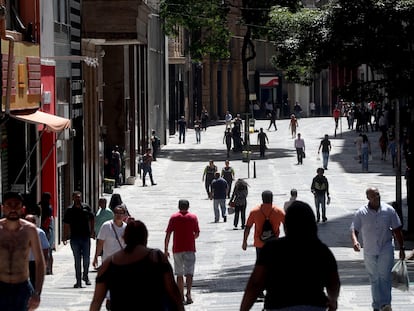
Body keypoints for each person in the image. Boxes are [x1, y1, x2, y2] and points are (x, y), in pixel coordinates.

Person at [240, 201, 340, 311]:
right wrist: (333, 301)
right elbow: (333, 283)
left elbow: (255, 283)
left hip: (278, 306)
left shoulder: (271, 249)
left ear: (287, 224)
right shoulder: (321, 250)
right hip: (313, 305)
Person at [89, 220, 184, 311]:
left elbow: (96, 301)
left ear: (124, 237)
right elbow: (173, 290)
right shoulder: (156, 257)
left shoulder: (109, 263)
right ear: (145, 237)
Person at [351, 187, 405, 311]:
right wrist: (355, 241)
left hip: (386, 247)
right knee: (374, 278)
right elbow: (354, 229)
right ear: (368, 198)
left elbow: (397, 229)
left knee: (385, 276)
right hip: (369, 250)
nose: (377, 197)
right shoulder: (361, 212)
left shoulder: (389, 210)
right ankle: (377, 305)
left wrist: (401, 248)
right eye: (374, 196)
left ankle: (385, 304)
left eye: (378, 194)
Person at [0, 191, 45, 311]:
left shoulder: (30, 230)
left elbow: (40, 262)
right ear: (3, 208)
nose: (13, 208)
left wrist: (37, 293)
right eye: (9, 205)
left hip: (22, 288)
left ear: (22, 209)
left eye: (17, 205)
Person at [164, 199, 200, 305]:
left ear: (178, 207)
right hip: (190, 248)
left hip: (177, 249)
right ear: (188, 207)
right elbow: (197, 233)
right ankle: (188, 294)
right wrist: (191, 238)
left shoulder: (174, 217)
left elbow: (168, 234)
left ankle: (180, 296)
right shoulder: (193, 217)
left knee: (179, 274)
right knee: (189, 273)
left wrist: (166, 249)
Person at [93, 205, 127, 310]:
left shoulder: (126, 228)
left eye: (121, 213)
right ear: (113, 214)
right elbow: (100, 243)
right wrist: (96, 257)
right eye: (116, 213)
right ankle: (110, 303)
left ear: (124, 215)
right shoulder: (106, 226)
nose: (118, 215)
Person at [63, 191, 95, 288]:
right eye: (76, 197)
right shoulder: (69, 210)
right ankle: (78, 281)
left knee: (86, 259)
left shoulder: (86, 207)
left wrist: (92, 231)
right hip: (75, 238)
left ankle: (85, 276)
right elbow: (66, 224)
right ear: (73, 198)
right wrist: (65, 236)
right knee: (77, 260)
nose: (78, 199)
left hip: (85, 237)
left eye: (79, 197)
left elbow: (92, 218)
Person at [242, 190, 285, 256]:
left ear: (262, 199)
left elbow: (248, 227)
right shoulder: (278, 211)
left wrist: (244, 241)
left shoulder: (255, 211)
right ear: (272, 199)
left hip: (259, 243)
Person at [25, 214, 50, 290]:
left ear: (34, 223)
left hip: (35, 262)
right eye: (26, 221)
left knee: (34, 281)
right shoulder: (20, 232)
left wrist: (45, 261)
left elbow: (45, 248)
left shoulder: (40, 233)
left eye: (30, 222)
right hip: (23, 262)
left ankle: (34, 295)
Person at [38, 191, 54, 275]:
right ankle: (49, 269)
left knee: (46, 250)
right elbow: (49, 219)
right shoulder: (48, 207)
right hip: (47, 230)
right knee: (48, 250)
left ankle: (47, 268)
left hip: (44, 229)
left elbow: (48, 219)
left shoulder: (41, 206)